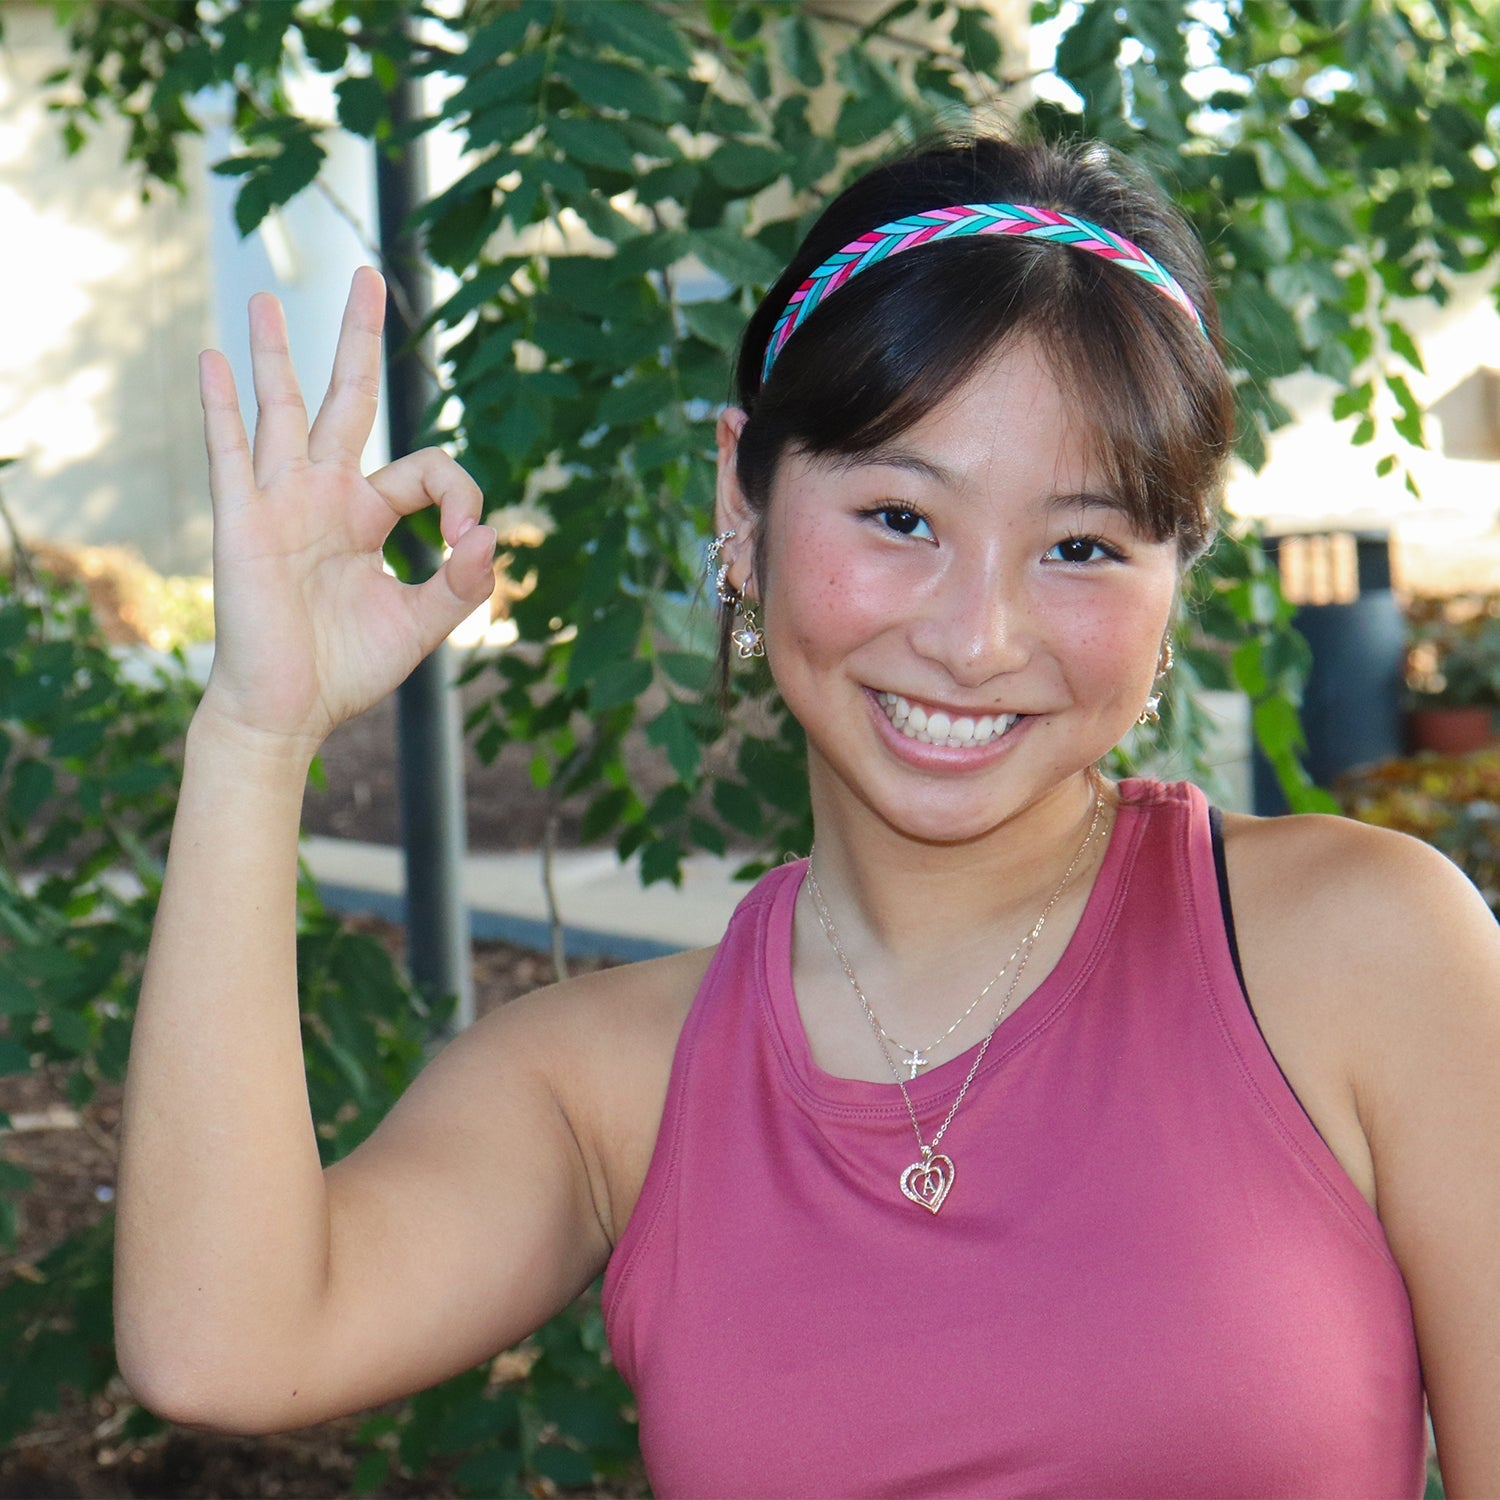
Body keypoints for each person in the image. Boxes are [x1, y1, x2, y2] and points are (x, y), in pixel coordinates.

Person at [115, 129, 1500, 1497]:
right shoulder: (612, 1088)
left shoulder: (1361, 954)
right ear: (745, 499)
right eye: (900, 517)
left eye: (1081, 547)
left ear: (1173, 582)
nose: (977, 635)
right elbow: (226, 1345)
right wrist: (254, 731)